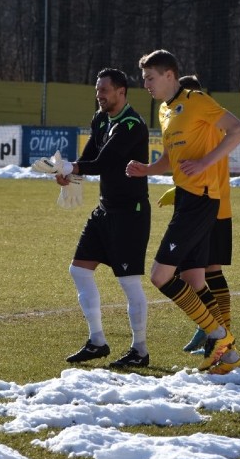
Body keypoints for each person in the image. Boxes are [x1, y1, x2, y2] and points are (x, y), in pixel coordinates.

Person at [126, 50, 240, 374]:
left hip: (202, 200)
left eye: (150, 79)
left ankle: (221, 338)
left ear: (169, 75)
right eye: (144, 80)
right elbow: (171, 161)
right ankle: (228, 353)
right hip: (186, 198)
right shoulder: (165, 111)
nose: (146, 85)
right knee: (193, 277)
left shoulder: (196, 100)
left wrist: (207, 162)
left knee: (160, 276)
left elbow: (239, 130)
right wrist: (147, 169)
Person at [33, 68, 152, 368]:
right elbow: (86, 159)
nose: (99, 95)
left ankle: (140, 350)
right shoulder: (100, 118)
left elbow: (102, 163)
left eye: (105, 90)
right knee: (79, 270)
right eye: (97, 90)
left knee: (128, 282)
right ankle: (97, 341)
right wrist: (68, 176)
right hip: (105, 209)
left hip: (130, 213)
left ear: (121, 91)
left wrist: (71, 168)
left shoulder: (131, 125)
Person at [158, 75, 234, 358]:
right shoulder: (190, 121)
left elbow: (203, 167)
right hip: (204, 203)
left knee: (209, 271)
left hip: (214, 206)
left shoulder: (208, 120)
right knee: (195, 272)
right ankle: (213, 330)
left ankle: (221, 331)